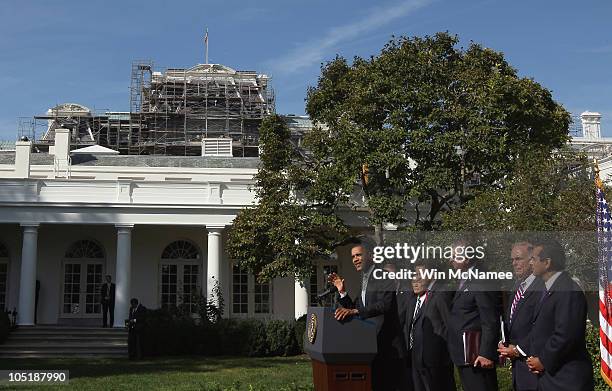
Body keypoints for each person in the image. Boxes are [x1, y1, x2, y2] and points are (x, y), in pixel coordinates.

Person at [329, 239, 408, 391]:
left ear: (371, 256)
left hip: (389, 349)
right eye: (353, 257)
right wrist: (342, 292)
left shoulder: (382, 275)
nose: (355, 259)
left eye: (358, 255)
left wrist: (355, 311)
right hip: (372, 346)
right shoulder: (365, 280)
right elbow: (357, 309)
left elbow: (385, 305)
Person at [521, 239, 593, 391]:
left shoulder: (568, 291)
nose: (530, 262)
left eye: (533, 259)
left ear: (547, 263)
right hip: (550, 378)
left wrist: (543, 360)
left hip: (566, 380)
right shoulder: (546, 289)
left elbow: (566, 334)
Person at [447, 240, 500, 391]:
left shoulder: (481, 279)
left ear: (468, 258)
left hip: (477, 356)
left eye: (454, 256)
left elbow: (490, 319)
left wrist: (486, 353)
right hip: (464, 355)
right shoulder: (464, 279)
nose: (450, 259)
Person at [398, 260, 455, 391]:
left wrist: (446, 358)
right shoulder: (412, 301)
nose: (416, 279)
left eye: (420, 274)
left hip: (435, 362)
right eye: (414, 274)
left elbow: (449, 327)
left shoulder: (440, 295)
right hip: (414, 360)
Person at [497, 241, 543, 391]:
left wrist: (518, 349)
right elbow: (512, 321)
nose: (514, 263)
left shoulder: (542, 286)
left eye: (518, 259)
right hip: (518, 367)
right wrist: (505, 342)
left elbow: (542, 326)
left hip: (535, 365)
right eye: (512, 260)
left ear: (531, 260)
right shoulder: (517, 287)